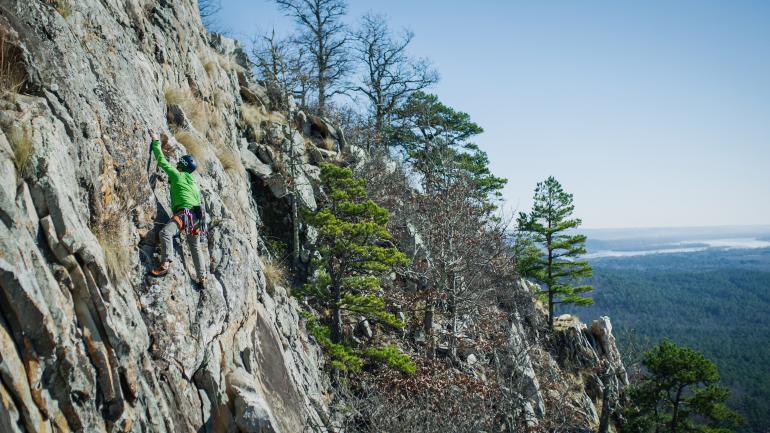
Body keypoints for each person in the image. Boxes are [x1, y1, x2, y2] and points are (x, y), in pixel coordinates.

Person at [147, 129, 207, 284]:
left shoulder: (177, 175)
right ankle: (203, 277)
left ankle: (165, 263)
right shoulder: (193, 182)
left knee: (166, 233)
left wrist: (156, 141)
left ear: (181, 165)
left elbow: (161, 160)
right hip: (198, 217)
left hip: (185, 213)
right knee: (195, 246)